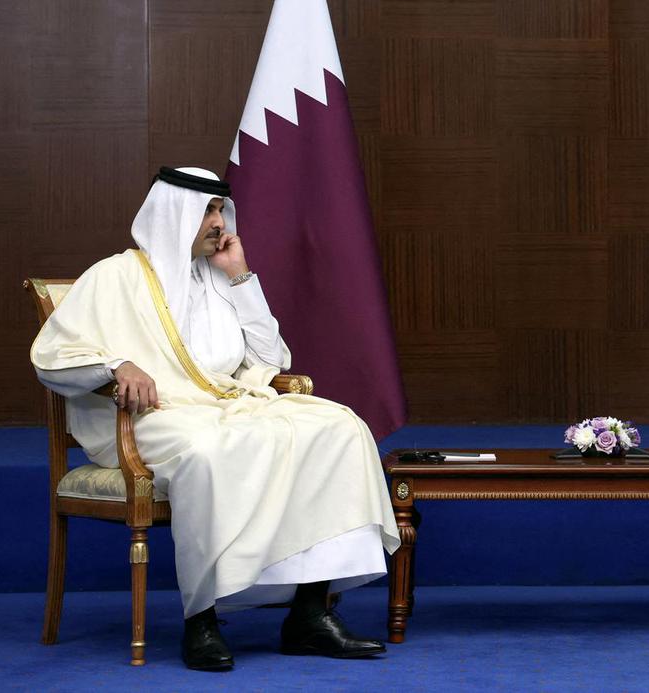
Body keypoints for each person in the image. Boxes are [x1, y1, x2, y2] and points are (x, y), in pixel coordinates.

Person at [31, 167, 400, 671]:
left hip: (228, 404)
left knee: (340, 428)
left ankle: (310, 614)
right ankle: (201, 619)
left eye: (221, 209)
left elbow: (273, 358)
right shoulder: (114, 276)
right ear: (173, 213)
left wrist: (240, 278)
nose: (218, 221)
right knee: (208, 451)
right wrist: (115, 364)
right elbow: (50, 356)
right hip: (154, 418)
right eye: (207, 210)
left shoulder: (219, 276)